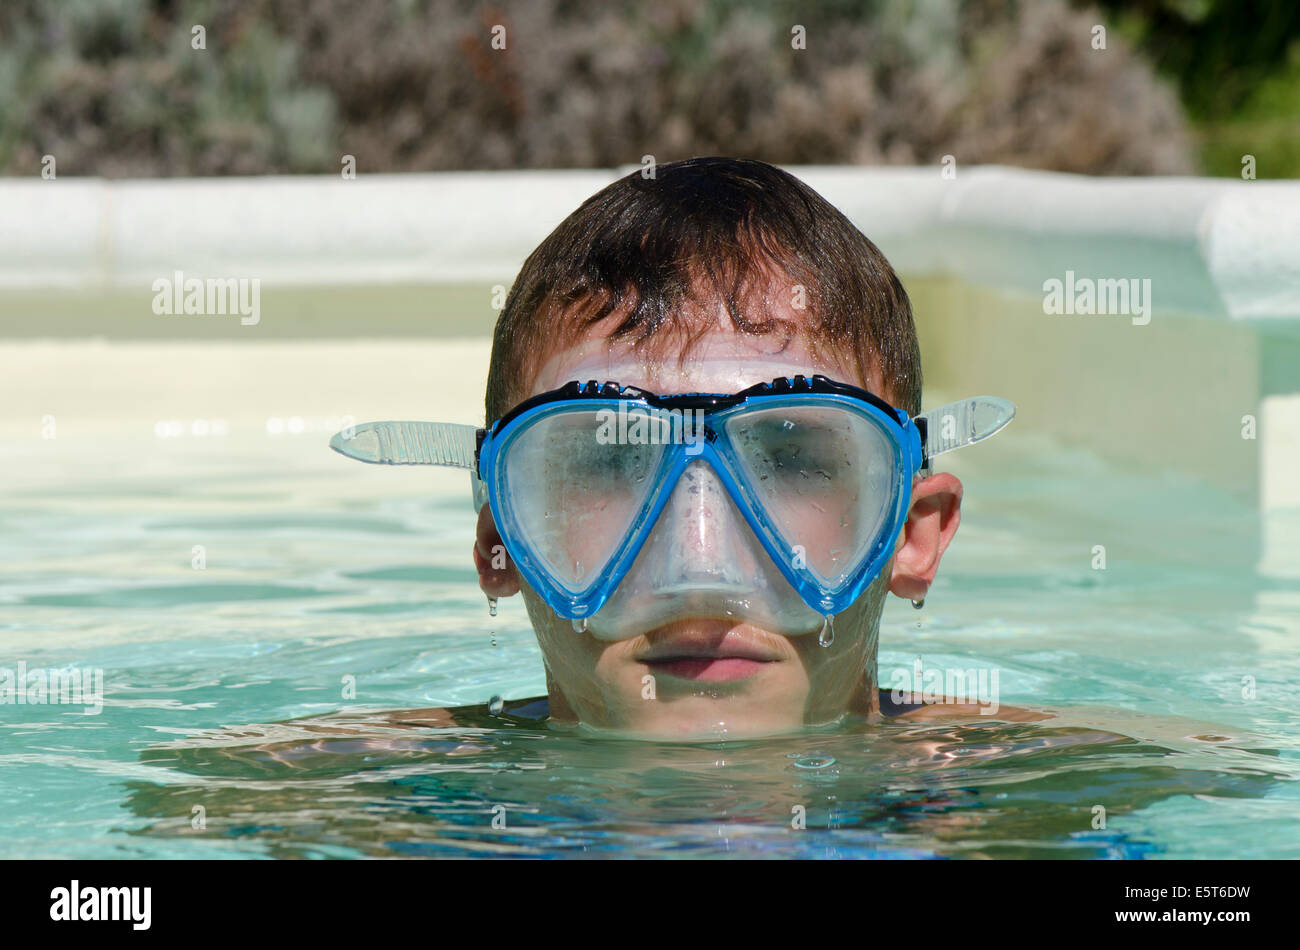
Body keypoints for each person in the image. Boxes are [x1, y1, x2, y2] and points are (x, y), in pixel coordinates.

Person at [334, 156, 1019, 739]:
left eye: (788, 455)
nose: (699, 568)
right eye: (611, 458)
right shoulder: (351, 801)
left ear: (911, 533)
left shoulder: (1051, 797)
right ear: (502, 540)